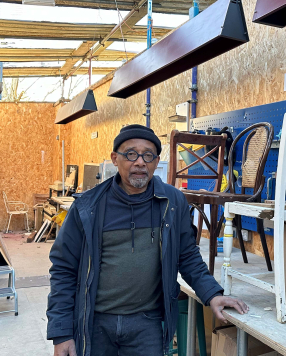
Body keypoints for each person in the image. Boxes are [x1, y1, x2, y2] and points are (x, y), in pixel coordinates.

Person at [47, 125, 249, 356]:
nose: (140, 162)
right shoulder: (88, 207)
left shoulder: (172, 203)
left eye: (148, 155)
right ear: (115, 158)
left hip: (147, 323)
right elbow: (63, 269)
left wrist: (212, 293)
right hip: (95, 322)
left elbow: (187, 255)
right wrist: (62, 333)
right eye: (131, 154)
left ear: (156, 161)